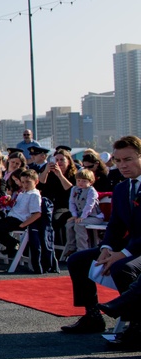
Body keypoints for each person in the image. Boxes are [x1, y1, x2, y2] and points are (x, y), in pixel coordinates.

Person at [61, 136, 141, 348]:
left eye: (128, 159)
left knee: (123, 268)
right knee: (78, 260)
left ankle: (136, 326)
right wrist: (106, 248)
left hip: (136, 249)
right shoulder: (123, 188)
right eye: (117, 160)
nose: (122, 165)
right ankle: (93, 315)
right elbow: (115, 225)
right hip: (128, 246)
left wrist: (122, 254)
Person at [0, 169, 43, 259]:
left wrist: (23, 225)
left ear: (36, 181)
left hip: (19, 220)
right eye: (23, 182)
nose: (25, 185)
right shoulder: (23, 193)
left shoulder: (34, 195)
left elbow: (37, 213)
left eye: (28, 182)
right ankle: (10, 243)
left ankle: (12, 243)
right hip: (11, 218)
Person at [64, 168, 103, 259]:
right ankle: (71, 247)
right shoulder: (74, 189)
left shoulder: (91, 191)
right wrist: (74, 215)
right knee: (69, 224)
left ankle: (82, 249)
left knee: (79, 225)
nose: (81, 183)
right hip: (79, 216)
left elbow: (89, 204)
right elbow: (72, 202)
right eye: (79, 180)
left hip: (94, 217)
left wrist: (83, 216)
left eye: (84, 181)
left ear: (91, 182)